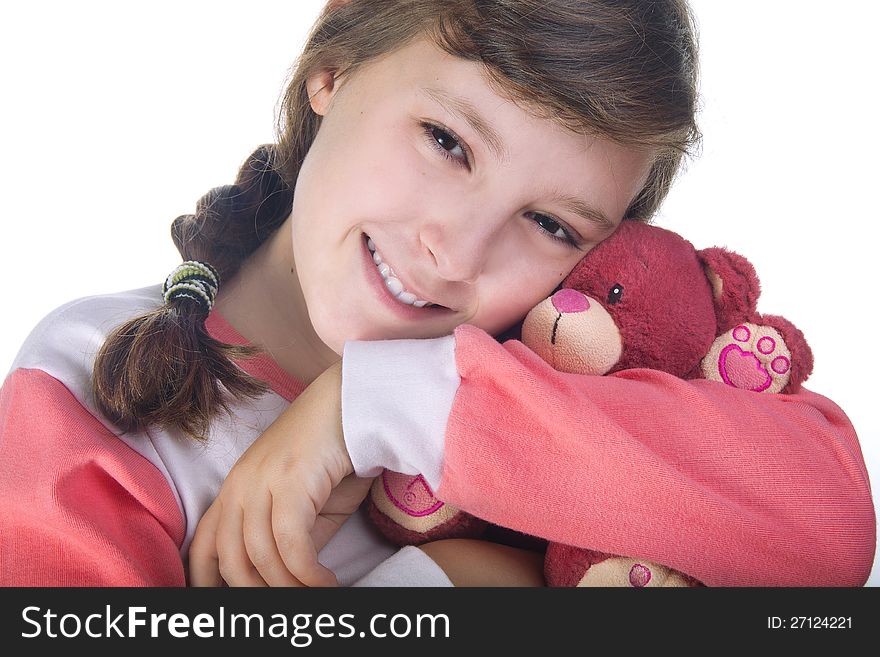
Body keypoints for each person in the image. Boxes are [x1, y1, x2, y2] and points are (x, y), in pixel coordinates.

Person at [0, 0, 873, 587]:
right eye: (447, 141)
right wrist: (462, 581)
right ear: (335, 63)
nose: (455, 254)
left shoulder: (552, 374)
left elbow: (833, 530)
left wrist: (374, 405)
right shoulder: (97, 379)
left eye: (552, 225)